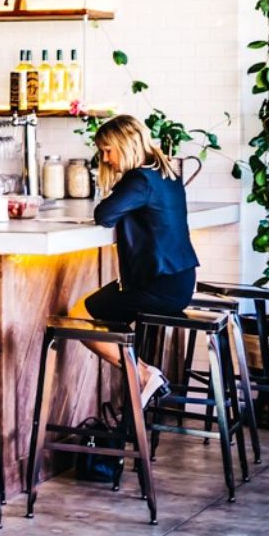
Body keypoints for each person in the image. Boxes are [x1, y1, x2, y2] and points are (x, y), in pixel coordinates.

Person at [68, 114, 199, 407]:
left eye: (107, 150)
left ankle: (142, 376)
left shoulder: (140, 178)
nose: (105, 158)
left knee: (78, 319)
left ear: (125, 144)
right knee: (98, 319)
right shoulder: (166, 172)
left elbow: (104, 215)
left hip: (157, 285)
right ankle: (142, 376)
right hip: (177, 281)